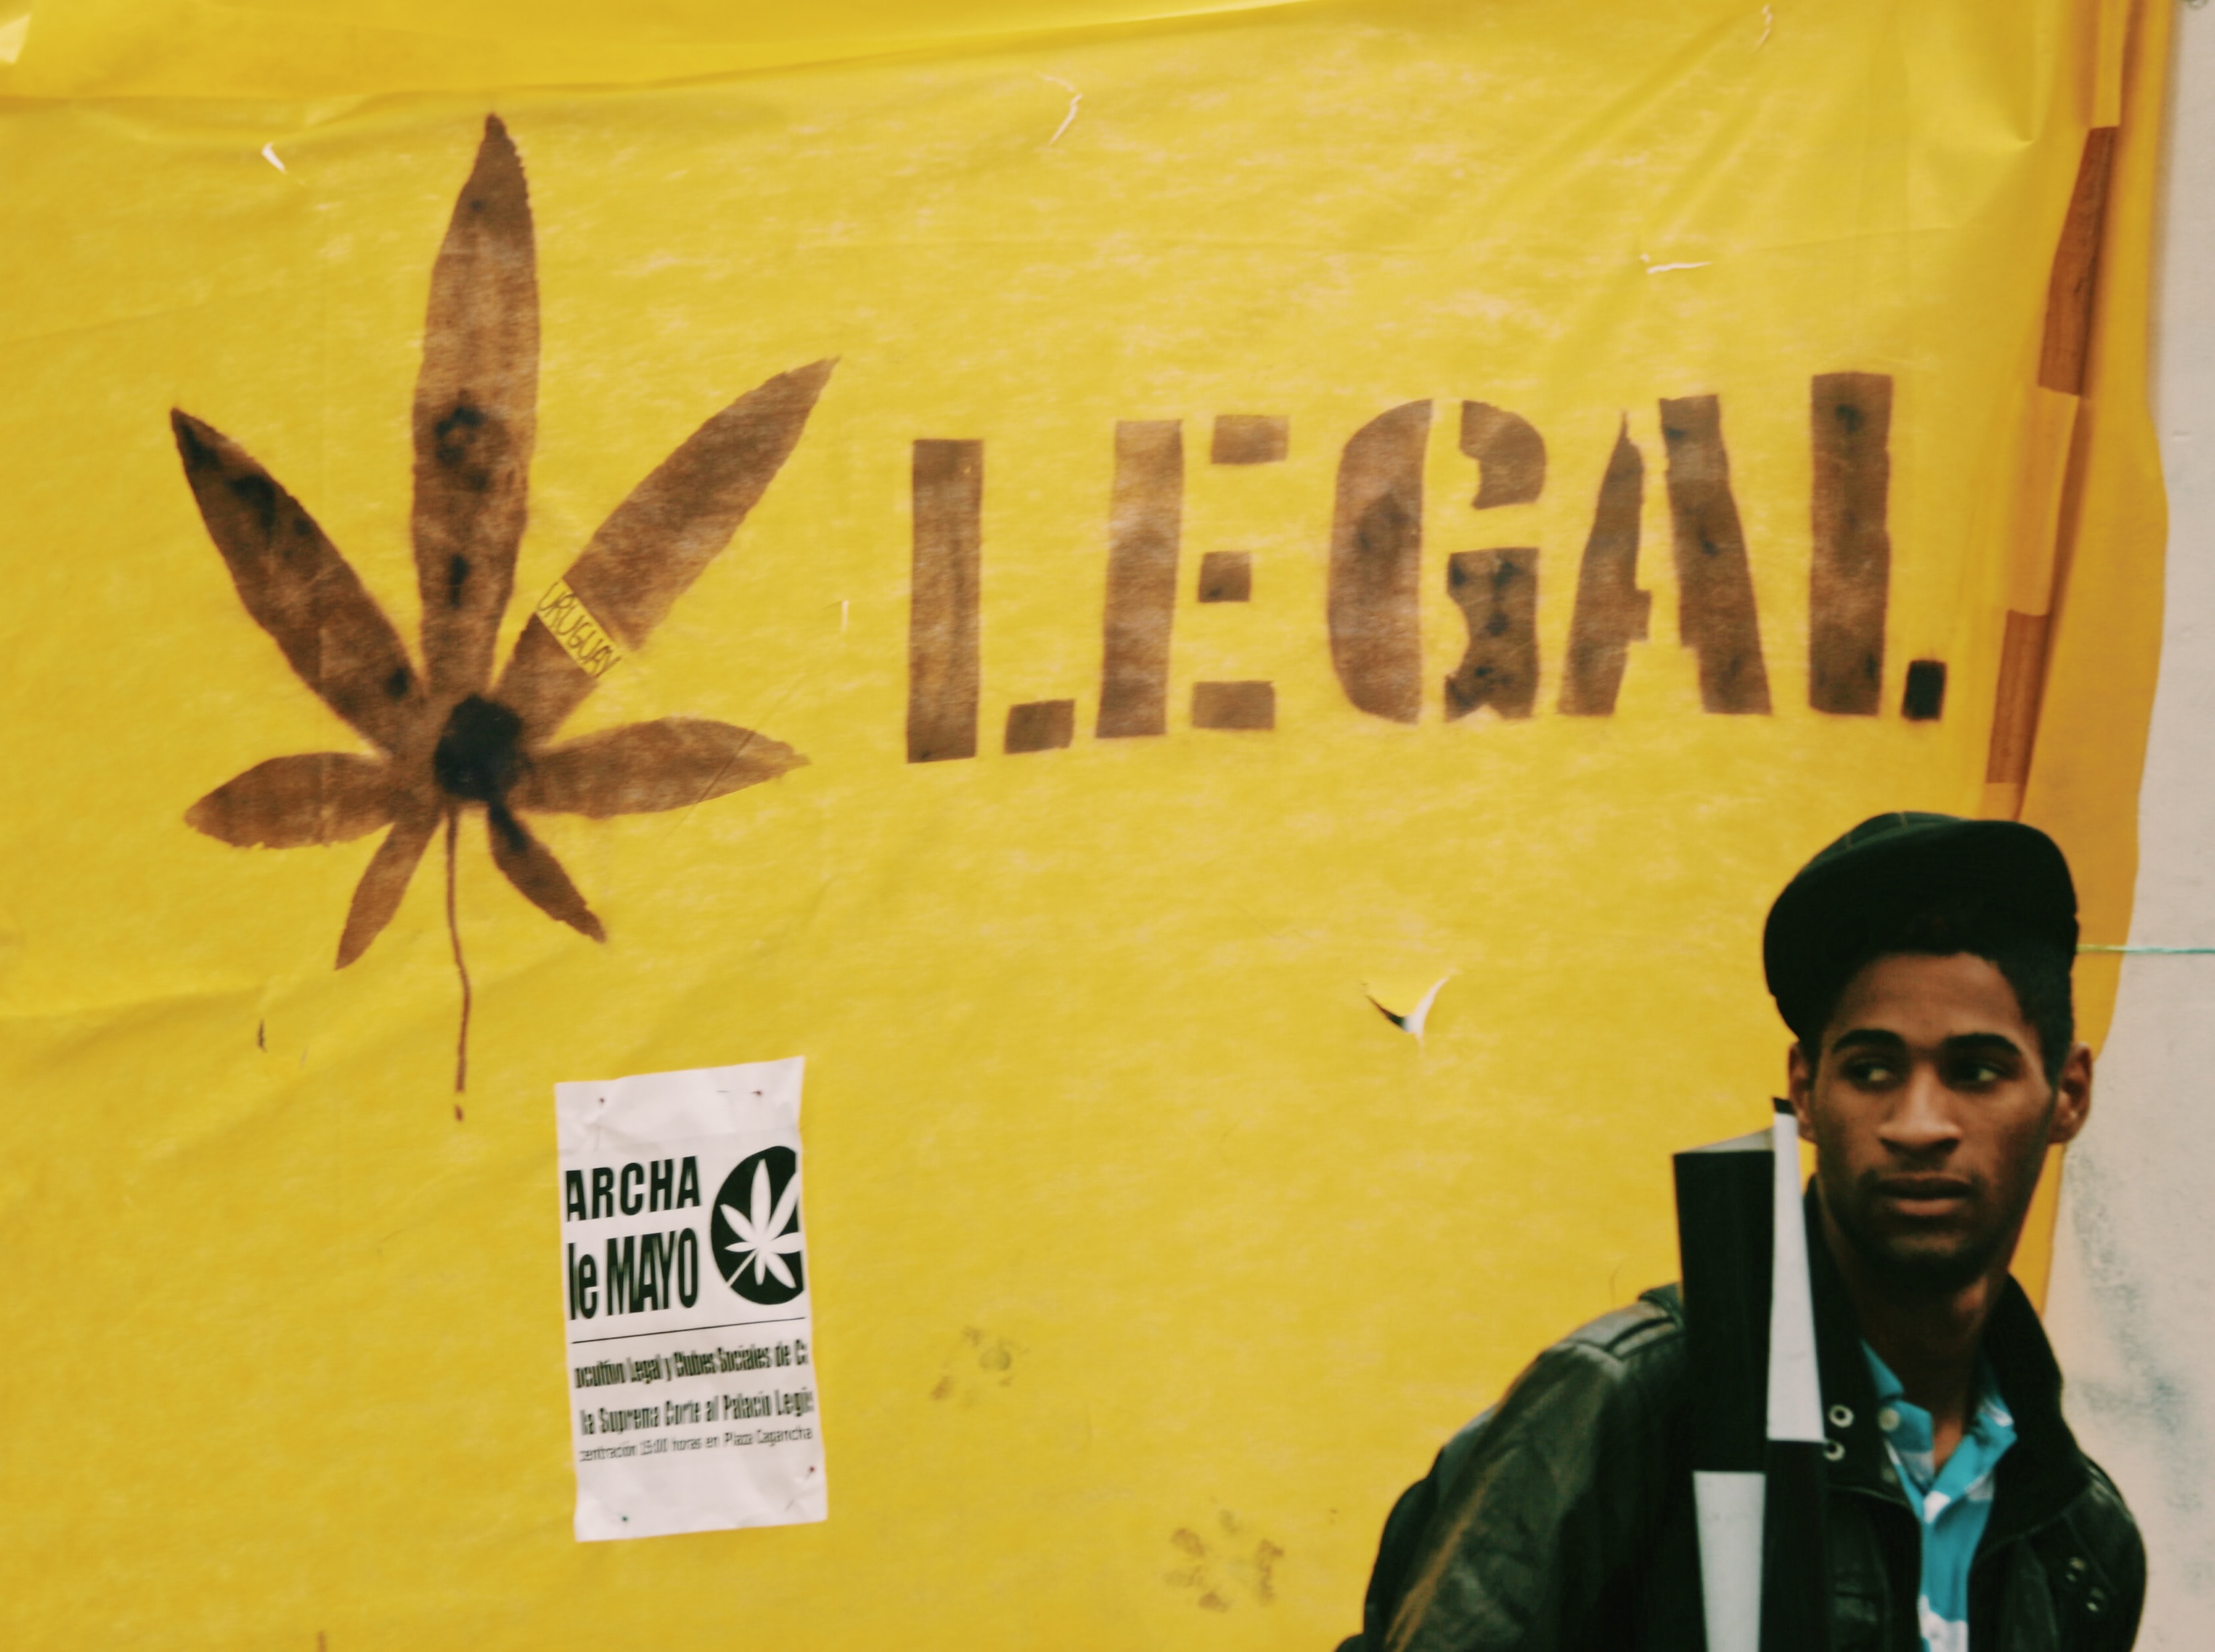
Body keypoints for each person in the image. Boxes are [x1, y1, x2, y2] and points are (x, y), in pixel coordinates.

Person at [1342, 811, 2144, 1651]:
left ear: (2067, 1094)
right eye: (1870, 1070)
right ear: (1803, 1092)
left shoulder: (2079, 1545)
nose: (1916, 1123)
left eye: (1975, 1072)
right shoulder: (1637, 1406)